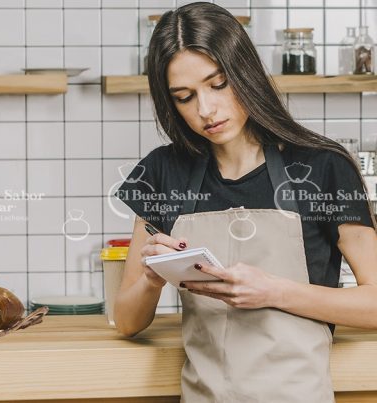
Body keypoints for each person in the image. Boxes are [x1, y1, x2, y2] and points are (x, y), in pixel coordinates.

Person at [113, 3, 377, 402]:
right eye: (185, 97)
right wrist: (153, 276)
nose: (205, 110)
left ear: (245, 72)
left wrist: (274, 292)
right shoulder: (162, 172)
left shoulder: (323, 166)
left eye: (218, 84)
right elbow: (127, 321)